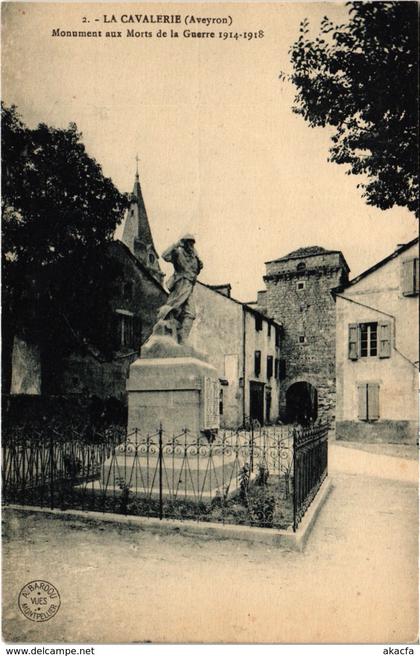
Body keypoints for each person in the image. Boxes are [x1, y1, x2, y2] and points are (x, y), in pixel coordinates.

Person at [156, 234, 203, 344]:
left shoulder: (195, 258)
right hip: (179, 285)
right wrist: (176, 245)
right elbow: (164, 255)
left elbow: (197, 270)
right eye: (188, 242)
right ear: (184, 243)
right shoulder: (178, 252)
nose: (191, 245)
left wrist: (198, 261)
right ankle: (163, 327)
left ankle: (183, 339)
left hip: (189, 287)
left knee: (190, 314)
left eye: (192, 243)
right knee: (173, 309)